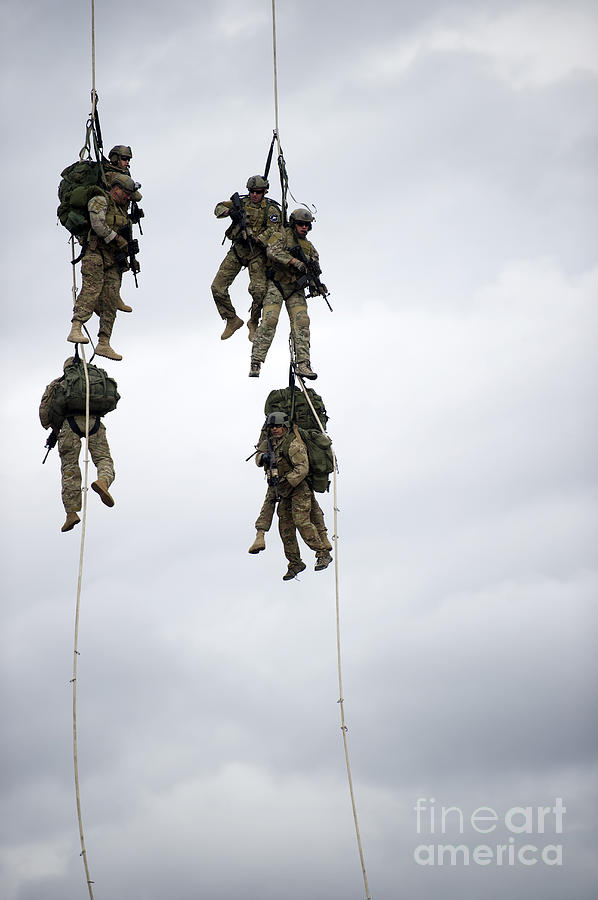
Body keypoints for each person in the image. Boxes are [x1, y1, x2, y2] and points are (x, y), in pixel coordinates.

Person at [249, 410, 333, 580]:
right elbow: (258, 458)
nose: (275, 429)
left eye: (278, 426)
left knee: (302, 521)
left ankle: (322, 553)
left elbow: (302, 468)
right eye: (272, 426)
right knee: (285, 528)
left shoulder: (293, 445)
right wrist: (263, 458)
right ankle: (295, 563)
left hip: (298, 487)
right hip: (280, 487)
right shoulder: (270, 443)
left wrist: (286, 481)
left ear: (285, 427)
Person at [66, 172, 141, 360]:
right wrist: (116, 239)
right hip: (95, 252)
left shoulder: (123, 209)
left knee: (111, 299)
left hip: (113, 259)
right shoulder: (101, 199)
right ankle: (76, 327)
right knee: (91, 290)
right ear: (116, 189)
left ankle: (104, 342)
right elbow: (97, 224)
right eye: (125, 193)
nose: (127, 197)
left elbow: (135, 196)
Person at [39, 360, 116, 533]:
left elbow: (44, 412)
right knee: (103, 459)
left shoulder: (58, 383)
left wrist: (53, 428)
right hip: (94, 422)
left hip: (69, 425)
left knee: (70, 468)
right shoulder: (94, 378)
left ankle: (71, 513)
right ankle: (103, 481)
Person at [249, 208, 323, 380]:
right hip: (277, 284)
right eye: (301, 224)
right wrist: (293, 261)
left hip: (295, 289)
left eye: (307, 225)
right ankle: (256, 361)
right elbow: (272, 252)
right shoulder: (281, 235)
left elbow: (314, 270)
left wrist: (316, 285)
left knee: (302, 322)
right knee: (270, 320)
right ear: (293, 223)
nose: (304, 228)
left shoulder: (310, 248)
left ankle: (303, 364)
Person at [211, 175, 282, 341]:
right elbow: (218, 208)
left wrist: (259, 238)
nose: (254, 195)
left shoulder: (271, 209)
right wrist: (230, 212)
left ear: (264, 191)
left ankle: (253, 321)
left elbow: (276, 230)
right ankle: (231, 319)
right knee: (217, 287)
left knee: (259, 291)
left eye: (258, 192)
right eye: (251, 192)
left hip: (256, 253)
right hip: (238, 250)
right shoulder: (241, 203)